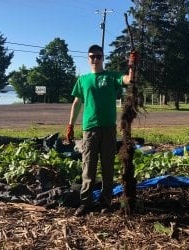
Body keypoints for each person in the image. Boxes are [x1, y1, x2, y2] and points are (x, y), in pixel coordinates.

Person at [66, 44, 138, 216]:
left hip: (108, 129)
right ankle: (86, 202)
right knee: (88, 167)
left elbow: (129, 80)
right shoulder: (83, 80)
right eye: (92, 56)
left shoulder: (111, 76)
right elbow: (76, 103)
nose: (95, 59)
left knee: (107, 167)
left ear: (103, 58)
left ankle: (106, 201)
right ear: (88, 58)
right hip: (89, 129)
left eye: (98, 56)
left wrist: (132, 65)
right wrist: (70, 125)